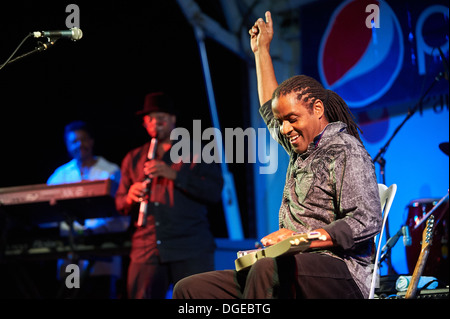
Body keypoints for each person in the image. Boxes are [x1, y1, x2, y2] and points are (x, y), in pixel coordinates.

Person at [172, 11, 382, 299]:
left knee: (265, 270)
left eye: (292, 119)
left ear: (317, 110)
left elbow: (365, 220)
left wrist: (298, 240)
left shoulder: (346, 150)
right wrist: (261, 51)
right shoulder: (302, 147)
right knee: (190, 289)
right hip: (289, 264)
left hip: (341, 272)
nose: (284, 128)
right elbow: (270, 105)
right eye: (282, 121)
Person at [115, 92, 223, 299]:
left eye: (162, 116)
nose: (157, 122)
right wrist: (130, 196)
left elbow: (214, 192)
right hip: (146, 249)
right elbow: (120, 202)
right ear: (145, 123)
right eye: (151, 118)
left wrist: (174, 175)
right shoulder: (133, 158)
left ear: (173, 119)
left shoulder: (197, 151)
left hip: (190, 246)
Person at [47, 120, 128, 299]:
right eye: (73, 141)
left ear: (91, 141)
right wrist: (74, 230)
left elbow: (122, 214)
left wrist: (94, 230)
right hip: (71, 257)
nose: (79, 145)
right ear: (67, 145)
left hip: (104, 254)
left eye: (83, 140)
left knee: (101, 293)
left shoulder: (110, 171)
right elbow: (49, 215)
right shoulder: (60, 175)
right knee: (72, 294)